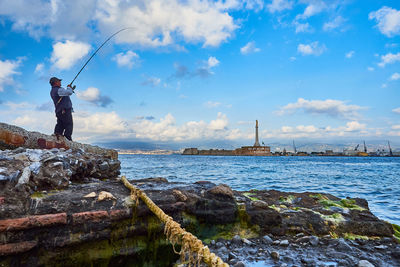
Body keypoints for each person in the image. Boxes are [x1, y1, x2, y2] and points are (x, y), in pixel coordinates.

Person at [49, 77, 75, 141]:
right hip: (64, 111)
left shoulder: (53, 91)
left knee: (60, 126)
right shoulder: (58, 90)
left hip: (59, 111)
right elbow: (69, 92)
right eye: (59, 81)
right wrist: (69, 87)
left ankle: (56, 139)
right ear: (55, 82)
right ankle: (67, 140)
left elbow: (66, 93)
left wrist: (69, 89)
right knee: (69, 125)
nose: (60, 82)